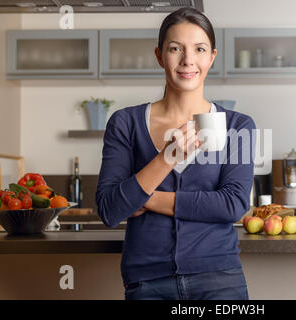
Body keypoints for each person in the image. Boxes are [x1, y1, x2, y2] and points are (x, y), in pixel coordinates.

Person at [95, 7, 256, 300]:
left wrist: (143, 197)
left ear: (212, 57)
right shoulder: (125, 123)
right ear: (159, 56)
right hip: (146, 281)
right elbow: (109, 209)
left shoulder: (238, 125)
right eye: (175, 48)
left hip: (219, 280)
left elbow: (232, 204)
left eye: (199, 49)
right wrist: (166, 158)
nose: (188, 60)